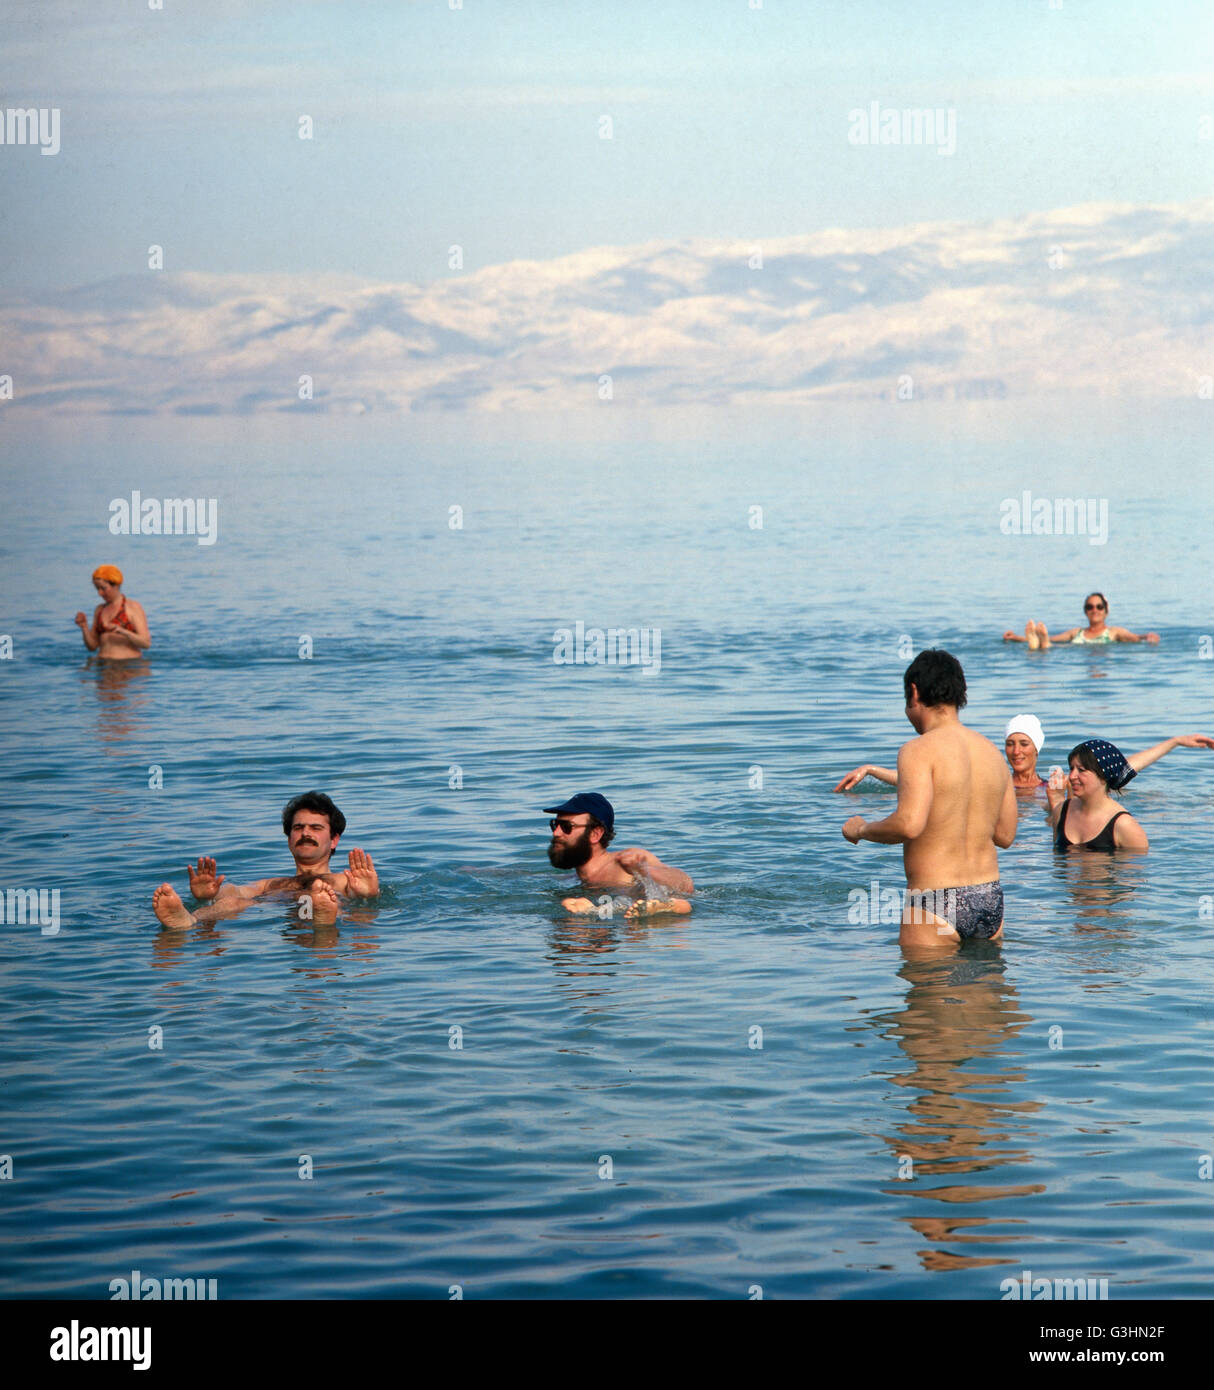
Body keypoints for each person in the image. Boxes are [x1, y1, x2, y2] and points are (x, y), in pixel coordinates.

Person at [841, 650, 1017, 947]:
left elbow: (909, 825)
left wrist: (861, 829)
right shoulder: (992, 753)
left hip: (935, 901)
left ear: (914, 691)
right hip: (989, 899)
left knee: (927, 990)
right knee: (985, 992)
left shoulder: (917, 749)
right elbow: (1005, 835)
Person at [152, 791, 378, 927]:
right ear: (289, 838)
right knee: (233, 903)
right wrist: (210, 894)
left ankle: (323, 922)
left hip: (329, 916)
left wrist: (368, 894)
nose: (306, 833)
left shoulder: (343, 880)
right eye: (298, 828)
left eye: (315, 828)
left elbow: (364, 909)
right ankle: (188, 921)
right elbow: (237, 891)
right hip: (282, 916)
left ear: (334, 839)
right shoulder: (270, 884)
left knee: (323, 897)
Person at [1048, 735, 1214, 851]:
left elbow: (1134, 884)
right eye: (1071, 769)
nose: (1071, 776)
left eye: (1081, 770)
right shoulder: (1061, 811)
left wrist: (1175, 742)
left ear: (1103, 777)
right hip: (1069, 899)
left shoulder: (1124, 825)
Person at [543, 792, 693, 916]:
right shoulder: (574, 879)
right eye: (555, 825)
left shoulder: (623, 862)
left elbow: (685, 884)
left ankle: (670, 906)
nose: (556, 833)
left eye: (566, 826)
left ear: (595, 834)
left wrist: (643, 870)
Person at [837, 713, 1049, 796]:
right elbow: (923, 781)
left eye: (1024, 744)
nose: (1016, 751)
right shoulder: (992, 781)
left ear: (1036, 748)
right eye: (1010, 744)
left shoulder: (1052, 788)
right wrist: (870, 770)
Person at [1002, 593, 1159, 648]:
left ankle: (1040, 645)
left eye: (1099, 607)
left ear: (1106, 610)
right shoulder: (1077, 632)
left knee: (1049, 646)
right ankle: (1038, 642)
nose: (1094, 610)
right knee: (1050, 643)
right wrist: (1015, 637)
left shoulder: (1113, 632)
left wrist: (1147, 637)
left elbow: (1135, 638)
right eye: (1090, 607)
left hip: (1082, 648)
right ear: (1085, 611)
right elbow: (1053, 638)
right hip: (1070, 647)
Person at [74, 565, 151, 659]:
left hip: (127, 667)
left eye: (103, 588)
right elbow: (92, 647)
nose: (100, 593)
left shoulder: (132, 607)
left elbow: (146, 643)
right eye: (97, 589)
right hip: (102, 666)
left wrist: (124, 632)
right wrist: (84, 627)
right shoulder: (99, 610)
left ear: (116, 585)